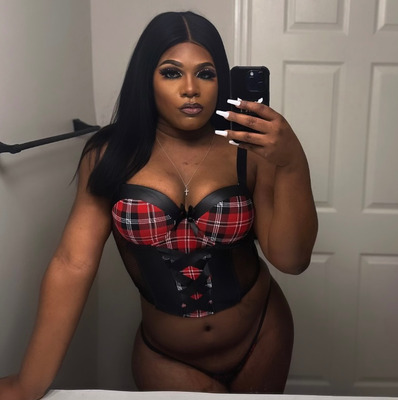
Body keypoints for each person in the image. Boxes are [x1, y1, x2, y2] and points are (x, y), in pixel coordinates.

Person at [0, 11, 318, 398]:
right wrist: (29, 382)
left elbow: (291, 260)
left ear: (221, 80)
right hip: (167, 357)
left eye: (205, 74)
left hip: (262, 335)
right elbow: (72, 264)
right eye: (171, 73)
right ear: (146, 78)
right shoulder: (109, 156)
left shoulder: (247, 150)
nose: (191, 89)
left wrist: (292, 163)